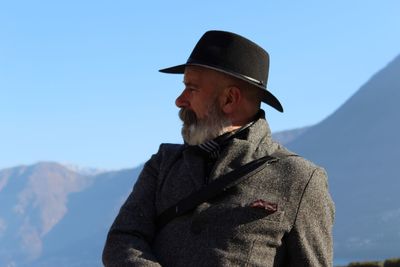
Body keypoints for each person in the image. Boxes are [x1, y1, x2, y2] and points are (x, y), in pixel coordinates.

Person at [102, 30, 335, 267]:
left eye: (191, 88)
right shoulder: (163, 163)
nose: (179, 100)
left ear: (229, 99)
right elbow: (122, 241)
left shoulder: (300, 179)